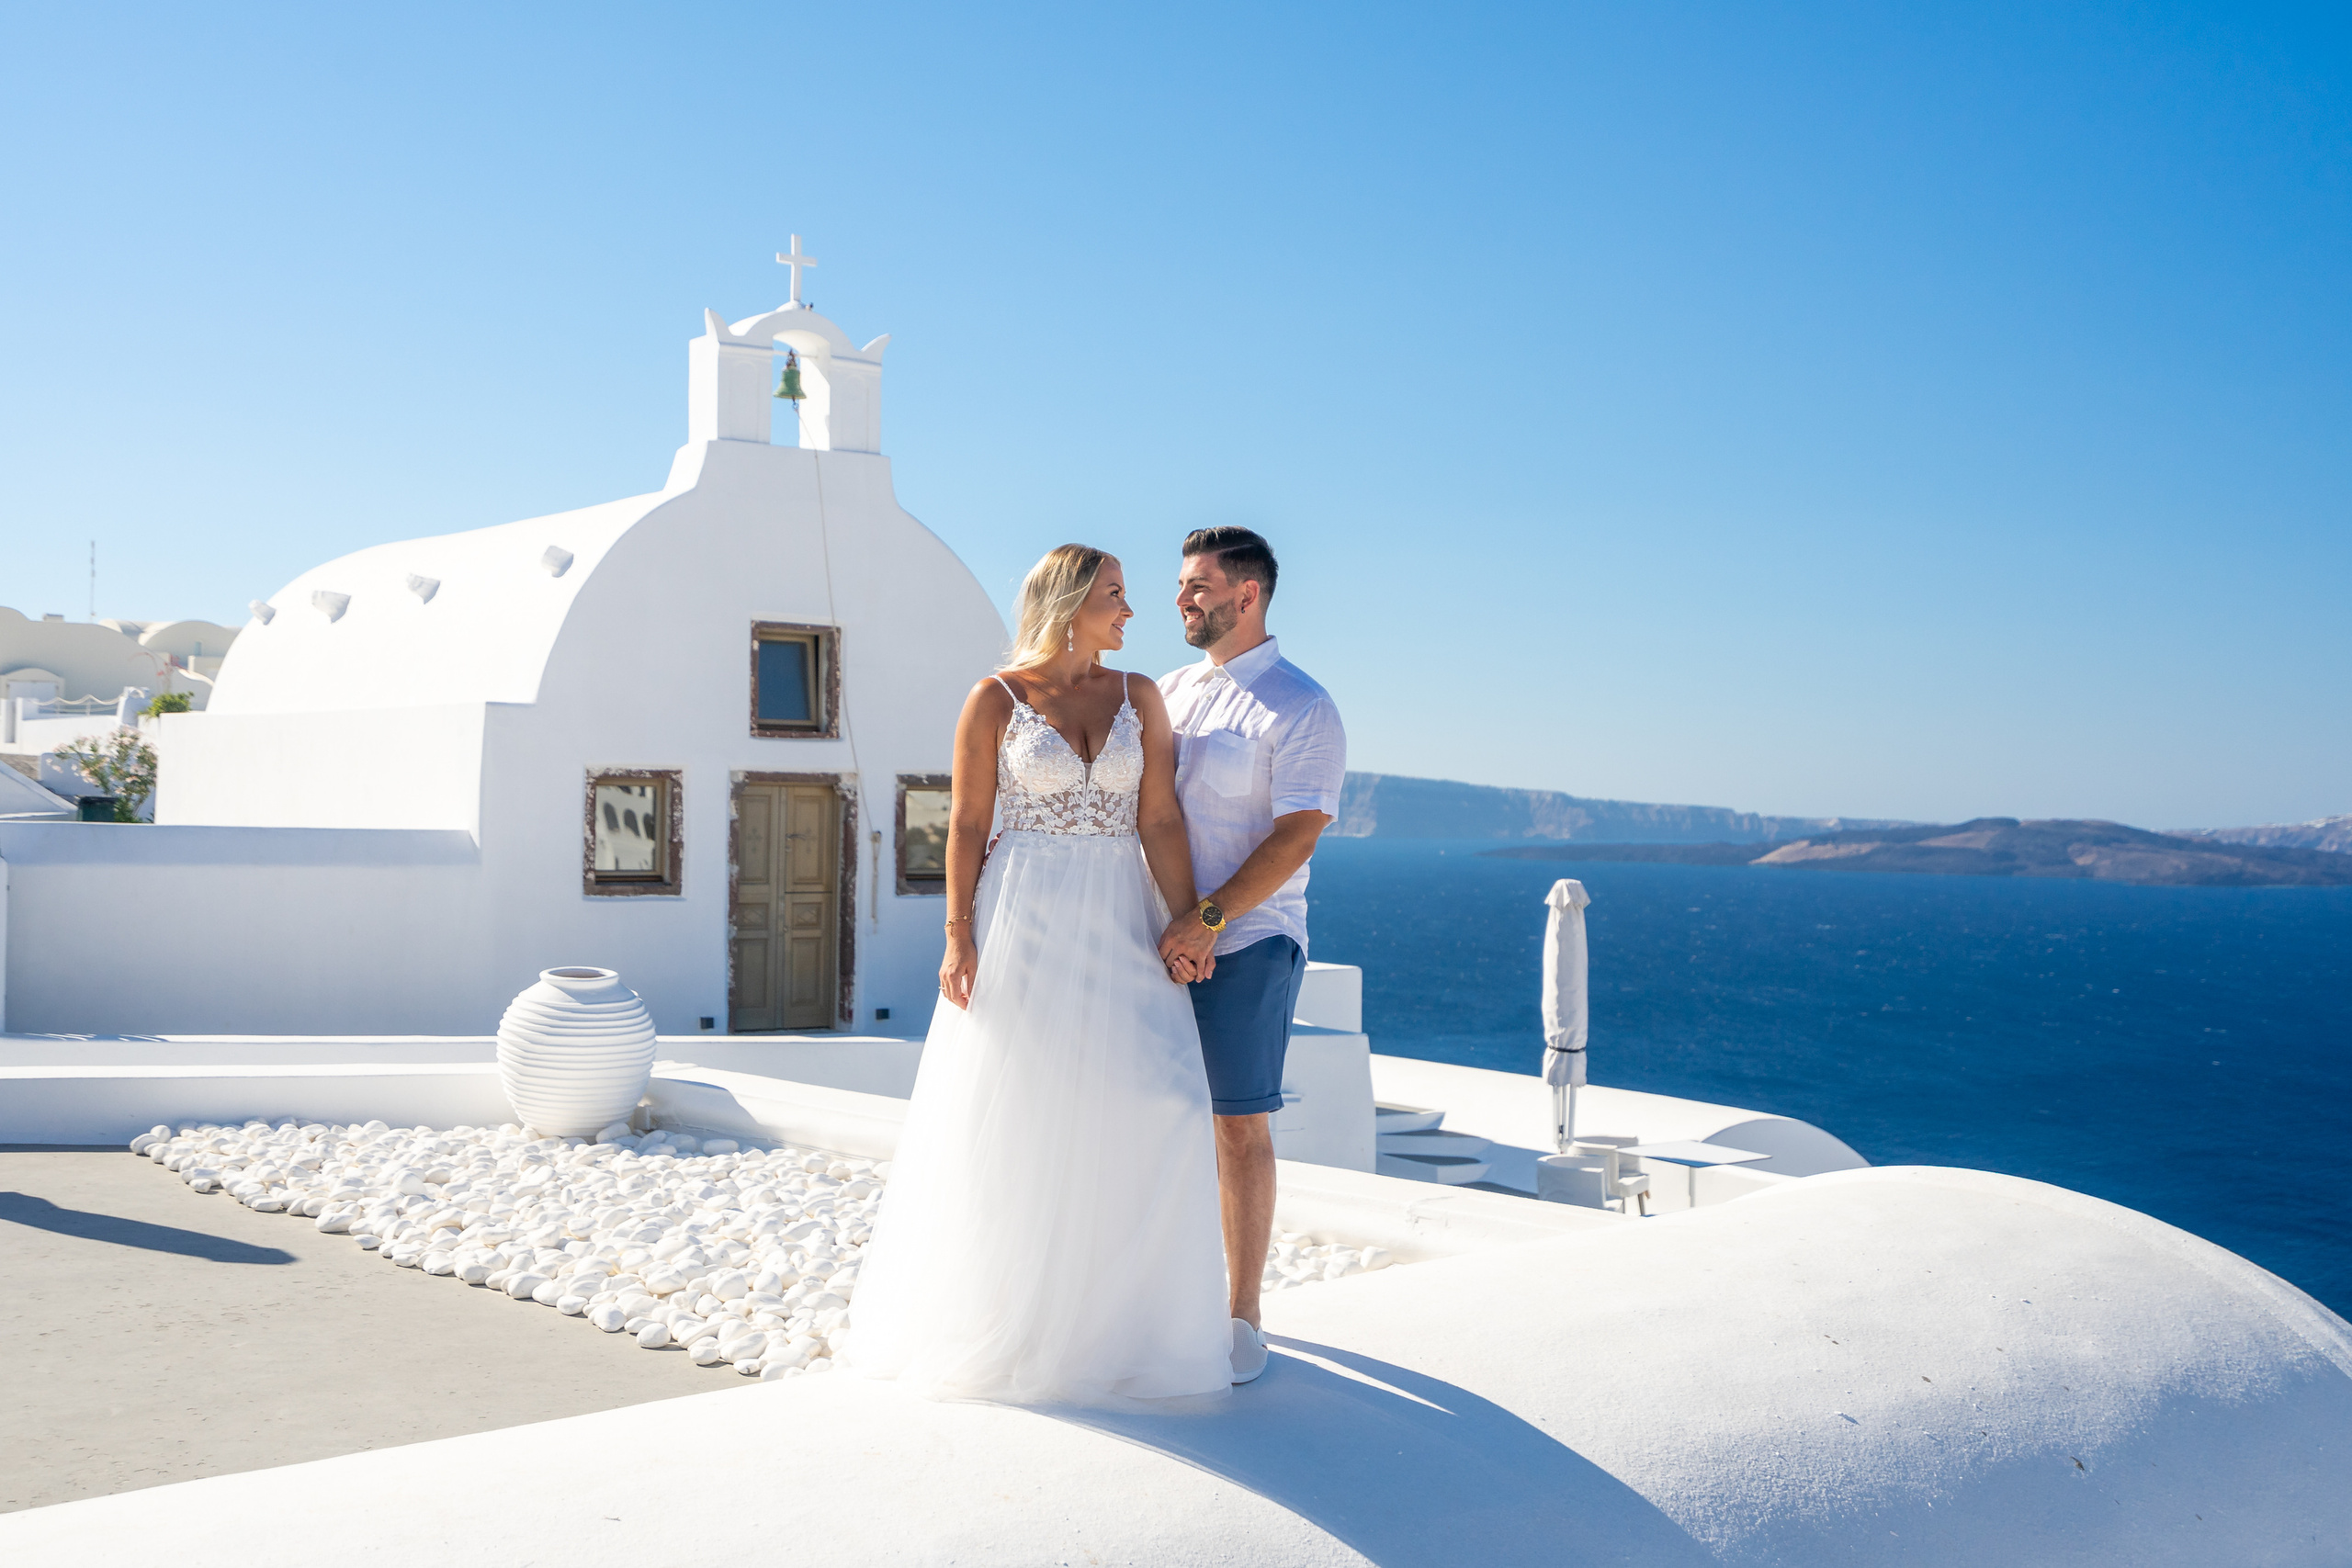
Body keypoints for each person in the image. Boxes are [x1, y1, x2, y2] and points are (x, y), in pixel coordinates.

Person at [849, 544, 1234, 1405]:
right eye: (1115, 597)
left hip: (1120, 913)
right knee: (1023, 1109)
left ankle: (1130, 1326)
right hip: (1021, 911)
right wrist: (957, 935)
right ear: (1068, 605)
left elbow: (1160, 815)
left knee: (1158, 1103)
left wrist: (1191, 923)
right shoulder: (996, 699)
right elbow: (967, 824)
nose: (1131, 613)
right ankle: (1018, 1321)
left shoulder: (1140, 696)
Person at [1157, 526, 1346, 1385]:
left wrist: (1208, 920)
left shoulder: (1303, 706)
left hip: (1251, 942)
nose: (1181, 599)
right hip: (1157, 937)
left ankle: (1242, 1313)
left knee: (1237, 1125)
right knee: (1152, 1118)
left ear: (1248, 595)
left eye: (1197, 585)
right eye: (1182, 584)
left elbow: (1297, 834)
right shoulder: (1168, 692)